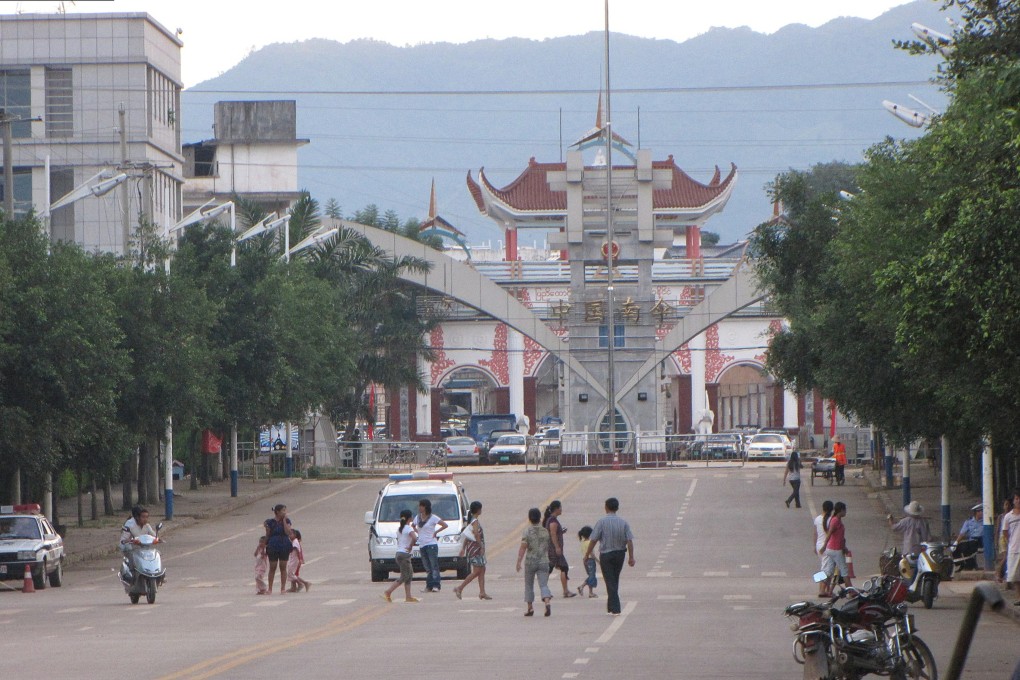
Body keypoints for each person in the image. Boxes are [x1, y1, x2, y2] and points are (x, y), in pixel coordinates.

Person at [583, 497, 635, 616]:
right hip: (620, 554)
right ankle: (610, 607)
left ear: (606, 507)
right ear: (617, 508)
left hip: (606, 555)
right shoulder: (623, 522)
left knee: (610, 580)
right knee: (614, 579)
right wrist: (631, 557)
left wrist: (587, 554)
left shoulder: (601, 522)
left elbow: (593, 539)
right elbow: (629, 540)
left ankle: (615, 608)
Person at [516, 507, 553, 617]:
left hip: (530, 561)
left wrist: (519, 561)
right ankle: (547, 601)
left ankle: (530, 607)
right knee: (543, 584)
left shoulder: (527, 531)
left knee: (529, 585)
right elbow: (548, 546)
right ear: (539, 518)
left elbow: (523, 547)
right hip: (543, 560)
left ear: (529, 518)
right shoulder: (545, 531)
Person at [453, 500, 491, 600]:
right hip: (476, 550)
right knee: (477, 571)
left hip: (473, 549)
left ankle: (482, 592)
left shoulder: (472, 521)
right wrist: (481, 546)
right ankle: (460, 588)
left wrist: (463, 548)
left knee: (482, 569)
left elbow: (467, 536)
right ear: (478, 510)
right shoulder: (475, 522)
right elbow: (476, 534)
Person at [382, 509, 420, 603]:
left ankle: (408, 596)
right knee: (404, 576)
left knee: (409, 575)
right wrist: (410, 546)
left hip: (399, 553)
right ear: (410, 518)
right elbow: (415, 538)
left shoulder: (400, 529)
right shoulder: (408, 528)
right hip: (404, 555)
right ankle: (388, 592)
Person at [414, 498, 448, 593]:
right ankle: (429, 586)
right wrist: (418, 533)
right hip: (422, 545)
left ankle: (436, 585)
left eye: (421, 506)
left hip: (431, 544)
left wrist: (436, 532)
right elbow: (413, 525)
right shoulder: (417, 517)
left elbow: (444, 525)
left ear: (425, 507)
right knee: (427, 568)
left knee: (434, 566)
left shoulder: (433, 517)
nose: (419, 508)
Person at [543, 500, 577, 598]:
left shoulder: (551, 520)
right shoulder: (553, 521)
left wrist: (561, 532)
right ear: (556, 509)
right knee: (563, 567)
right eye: (560, 508)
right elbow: (553, 534)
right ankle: (564, 591)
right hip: (554, 549)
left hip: (552, 549)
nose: (561, 509)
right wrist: (557, 547)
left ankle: (546, 590)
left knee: (552, 568)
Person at [821, 501, 852, 590]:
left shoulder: (835, 520)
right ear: (841, 510)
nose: (846, 512)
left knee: (828, 571)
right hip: (835, 549)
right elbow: (829, 534)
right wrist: (824, 546)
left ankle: (823, 589)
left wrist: (844, 547)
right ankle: (850, 590)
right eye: (845, 510)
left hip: (832, 549)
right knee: (844, 571)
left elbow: (840, 537)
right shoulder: (835, 521)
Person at [264, 504, 294, 594]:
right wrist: (264, 545)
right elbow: (267, 534)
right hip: (273, 545)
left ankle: (283, 588)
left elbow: (288, 532)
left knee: (283, 567)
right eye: (283, 510)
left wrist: (284, 520)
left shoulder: (287, 521)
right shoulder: (270, 522)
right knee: (272, 567)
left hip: (284, 544)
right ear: (277, 512)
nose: (285, 512)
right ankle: (270, 588)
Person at [1002, 489, 1020, 606]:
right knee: (1015, 576)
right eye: (1016, 499)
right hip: (1014, 549)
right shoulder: (1008, 517)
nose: (1018, 501)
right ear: (1013, 501)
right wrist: (1011, 542)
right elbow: (1005, 532)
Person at [954, 504, 985, 570]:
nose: (981, 513)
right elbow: (962, 533)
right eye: (979, 511)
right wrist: (956, 542)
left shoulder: (985, 522)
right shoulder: (969, 522)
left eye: (982, 511)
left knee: (968, 548)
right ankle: (960, 564)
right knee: (957, 548)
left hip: (980, 541)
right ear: (975, 513)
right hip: (971, 541)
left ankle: (970, 566)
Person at [814, 500, 834, 596]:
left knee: (825, 567)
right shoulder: (832, 520)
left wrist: (814, 546)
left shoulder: (817, 519)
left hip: (819, 545)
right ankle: (822, 590)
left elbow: (815, 534)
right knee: (827, 570)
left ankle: (825, 589)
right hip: (827, 546)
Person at [577, 526, 598, 597]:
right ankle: (587, 590)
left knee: (590, 576)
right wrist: (598, 561)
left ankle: (586, 589)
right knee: (592, 576)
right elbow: (591, 554)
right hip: (590, 560)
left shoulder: (583, 542)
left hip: (585, 560)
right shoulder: (589, 542)